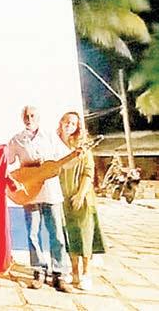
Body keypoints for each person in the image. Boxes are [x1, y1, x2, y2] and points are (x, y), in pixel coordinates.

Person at [7, 106, 75, 292]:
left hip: (50, 190)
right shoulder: (17, 139)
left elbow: (65, 158)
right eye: (26, 116)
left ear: (38, 117)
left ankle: (59, 274)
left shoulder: (50, 136)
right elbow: (6, 161)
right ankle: (39, 271)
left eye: (32, 115)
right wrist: (15, 181)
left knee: (56, 233)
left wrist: (75, 155)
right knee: (32, 233)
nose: (29, 119)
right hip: (29, 191)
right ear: (22, 118)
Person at [58, 111, 102, 291]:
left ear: (78, 127)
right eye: (67, 122)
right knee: (70, 236)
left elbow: (88, 172)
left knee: (85, 235)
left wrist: (80, 194)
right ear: (61, 123)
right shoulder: (56, 146)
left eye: (73, 123)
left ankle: (86, 273)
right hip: (63, 198)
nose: (69, 125)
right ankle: (74, 271)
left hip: (82, 198)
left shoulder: (83, 147)